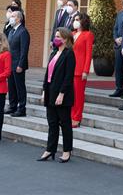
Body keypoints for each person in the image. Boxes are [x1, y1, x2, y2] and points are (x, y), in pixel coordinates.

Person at [38, 27, 75, 163]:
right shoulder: (53, 53)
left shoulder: (69, 54)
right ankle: (50, 149)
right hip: (50, 92)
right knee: (52, 123)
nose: (56, 39)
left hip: (62, 94)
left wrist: (62, 94)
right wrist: (44, 91)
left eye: (58, 36)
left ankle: (67, 151)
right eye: (55, 36)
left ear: (65, 39)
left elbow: (68, 76)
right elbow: (48, 74)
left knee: (65, 123)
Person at [5, 10, 30, 117]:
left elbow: (24, 50)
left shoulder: (23, 32)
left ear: (19, 19)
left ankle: (22, 108)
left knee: (20, 87)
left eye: (13, 16)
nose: (10, 18)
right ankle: (12, 106)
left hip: (18, 64)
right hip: (10, 64)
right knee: (11, 87)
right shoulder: (11, 31)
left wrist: (21, 64)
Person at [71, 13, 94, 128]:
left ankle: (76, 118)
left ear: (83, 21)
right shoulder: (72, 34)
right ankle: (70, 116)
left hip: (80, 70)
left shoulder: (88, 34)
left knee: (78, 95)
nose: (75, 21)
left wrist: (86, 71)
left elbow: (88, 54)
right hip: (69, 69)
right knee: (70, 94)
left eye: (77, 19)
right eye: (74, 19)